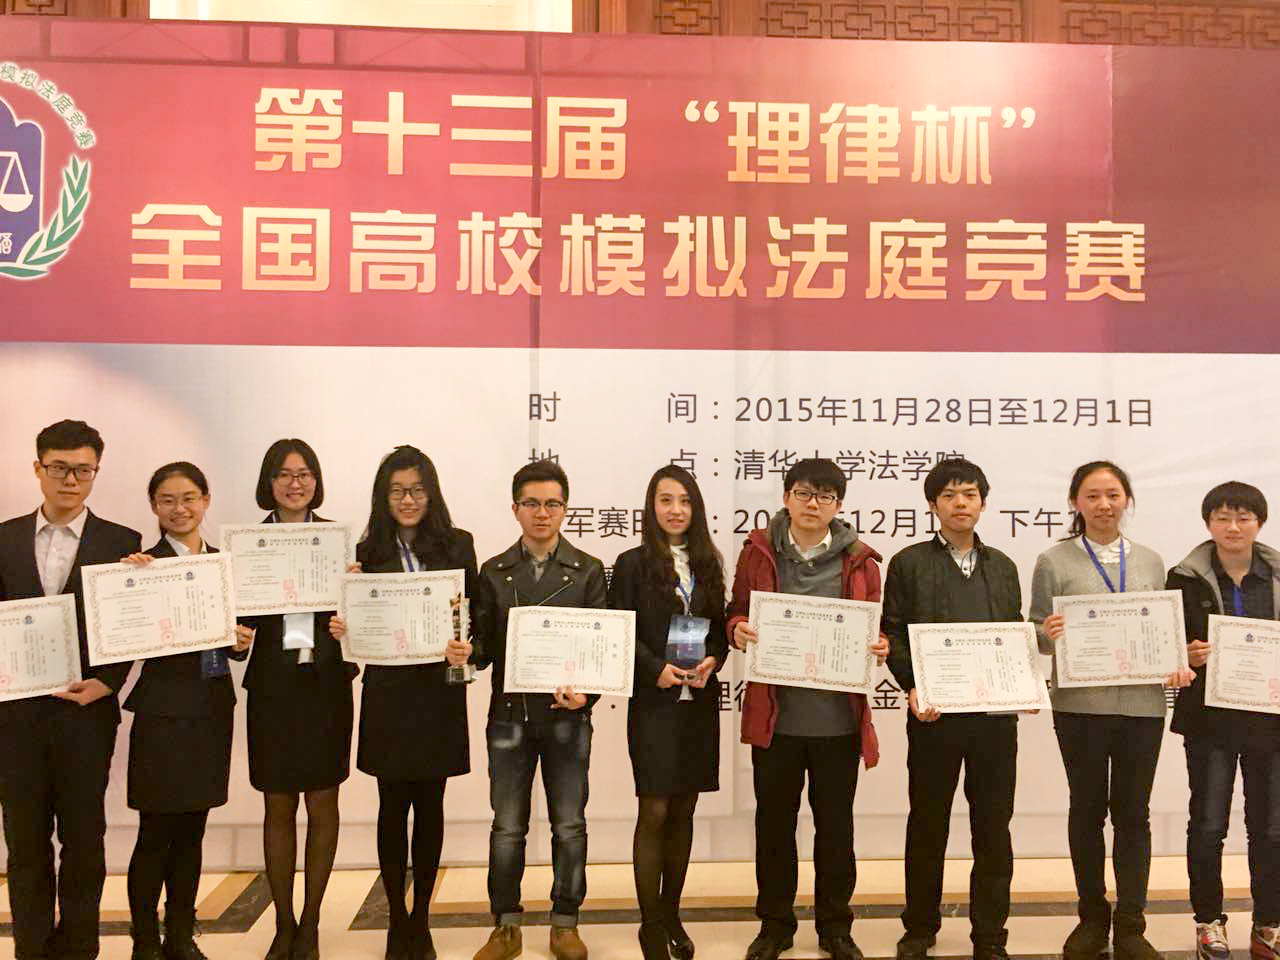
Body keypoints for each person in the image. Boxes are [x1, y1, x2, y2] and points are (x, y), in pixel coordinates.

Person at [1031, 460, 1193, 960]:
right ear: (1075, 503)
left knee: (1133, 814)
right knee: (1086, 810)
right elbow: (1035, 630)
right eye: (1093, 496)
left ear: (1127, 500)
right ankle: (1091, 919)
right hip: (1079, 705)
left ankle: (1131, 925)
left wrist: (1175, 659)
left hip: (1142, 706)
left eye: (1113, 495)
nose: (1104, 504)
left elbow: (1164, 629)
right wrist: (1047, 632)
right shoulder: (1053, 560)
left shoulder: (1150, 560)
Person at [728, 458, 888, 960]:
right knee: (774, 827)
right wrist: (736, 629)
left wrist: (879, 644)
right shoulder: (757, 552)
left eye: (824, 496)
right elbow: (736, 610)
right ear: (786, 498)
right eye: (803, 493)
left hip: (838, 721)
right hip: (776, 719)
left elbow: (876, 626)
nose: (812, 504)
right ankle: (774, 926)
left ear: (838, 505)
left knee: (836, 829)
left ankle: (835, 927)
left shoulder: (862, 561)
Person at [0, 419, 141, 960]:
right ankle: (31, 949)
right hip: (15, 720)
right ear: (38, 469)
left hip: (86, 714)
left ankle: (80, 947)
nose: (70, 479)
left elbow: (128, 625)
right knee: (24, 843)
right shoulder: (3, 538)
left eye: (83, 469)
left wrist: (109, 682)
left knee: (84, 839)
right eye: (58, 467)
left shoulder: (123, 542)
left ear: (96, 472)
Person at [328, 446, 477, 960]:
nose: (407, 500)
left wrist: (468, 647)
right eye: (397, 491)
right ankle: (396, 918)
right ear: (383, 497)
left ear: (431, 494)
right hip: (388, 697)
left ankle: (422, 919)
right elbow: (352, 630)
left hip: (438, 694)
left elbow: (473, 615)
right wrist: (345, 624)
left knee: (431, 807)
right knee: (391, 808)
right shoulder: (365, 553)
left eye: (416, 490)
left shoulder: (458, 545)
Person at [882, 457, 1023, 960]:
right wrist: (912, 686)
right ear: (933, 505)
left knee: (993, 828)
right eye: (949, 495)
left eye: (969, 494)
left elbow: (1013, 634)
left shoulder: (1003, 566)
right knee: (927, 824)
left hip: (994, 722)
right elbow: (893, 633)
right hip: (933, 717)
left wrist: (1021, 686)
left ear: (983, 503)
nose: (960, 503)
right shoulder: (908, 563)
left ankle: (990, 935)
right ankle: (919, 928)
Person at [471, 460, 607, 960]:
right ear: (515, 509)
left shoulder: (588, 569)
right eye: (531, 503)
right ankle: (506, 925)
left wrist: (587, 695)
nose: (542, 513)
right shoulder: (493, 571)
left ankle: (565, 922)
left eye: (552, 503)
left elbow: (602, 649)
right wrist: (465, 651)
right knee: (508, 827)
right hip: (509, 715)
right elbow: (484, 647)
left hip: (567, 718)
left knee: (569, 825)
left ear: (565, 509)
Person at [120, 462, 254, 960]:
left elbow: (237, 641)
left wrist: (241, 642)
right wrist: (128, 587)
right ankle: (144, 941)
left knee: (193, 831)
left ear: (206, 501)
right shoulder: (140, 566)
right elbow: (124, 638)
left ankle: (180, 936)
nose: (180, 509)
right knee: (155, 831)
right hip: (161, 713)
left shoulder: (225, 564)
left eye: (189, 498)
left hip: (211, 710)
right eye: (168, 500)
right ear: (154, 506)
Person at [241, 439, 356, 960]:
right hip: (272, 688)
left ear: (317, 480)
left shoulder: (339, 542)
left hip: (325, 687)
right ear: (269, 483)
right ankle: (283, 923)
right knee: (278, 804)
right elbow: (236, 625)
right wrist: (235, 637)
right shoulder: (249, 544)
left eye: (305, 473)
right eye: (285, 474)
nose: (295, 483)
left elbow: (360, 622)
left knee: (324, 802)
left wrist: (354, 614)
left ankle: (311, 922)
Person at [608, 465, 728, 960]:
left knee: (684, 809)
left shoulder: (708, 562)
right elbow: (619, 628)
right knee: (655, 809)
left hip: (697, 703)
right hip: (654, 702)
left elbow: (719, 629)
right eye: (665, 500)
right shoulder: (632, 563)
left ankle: (673, 914)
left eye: (685, 501)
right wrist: (653, 668)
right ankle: (651, 925)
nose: (676, 510)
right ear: (651, 507)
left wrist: (713, 659)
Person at [1165, 481, 1280, 960]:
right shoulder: (1184, 578)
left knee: (1271, 828)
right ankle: (1209, 922)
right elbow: (1164, 645)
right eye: (1223, 518)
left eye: (1243, 517)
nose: (1233, 527)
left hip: (1270, 722)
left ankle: (1268, 923)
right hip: (1209, 722)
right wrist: (1184, 654)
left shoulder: (1276, 575)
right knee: (1209, 825)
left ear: (1259, 522)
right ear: (1208, 523)